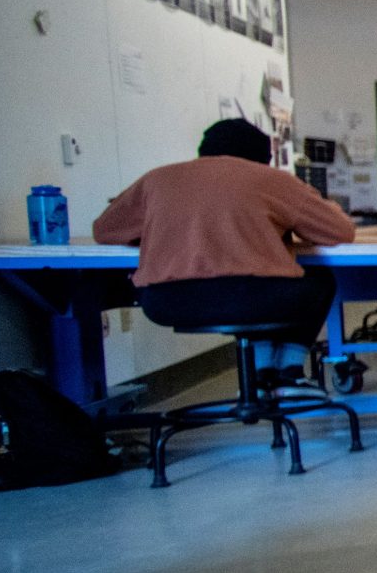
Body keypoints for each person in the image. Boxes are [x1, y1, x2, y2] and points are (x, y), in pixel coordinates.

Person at [91, 118, 358, 383]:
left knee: (255, 287)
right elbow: (339, 231)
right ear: (263, 158)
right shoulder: (273, 180)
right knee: (314, 278)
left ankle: (261, 371)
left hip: (166, 302)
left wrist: (159, 235)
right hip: (255, 298)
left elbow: (104, 230)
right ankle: (289, 371)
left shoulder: (157, 180)